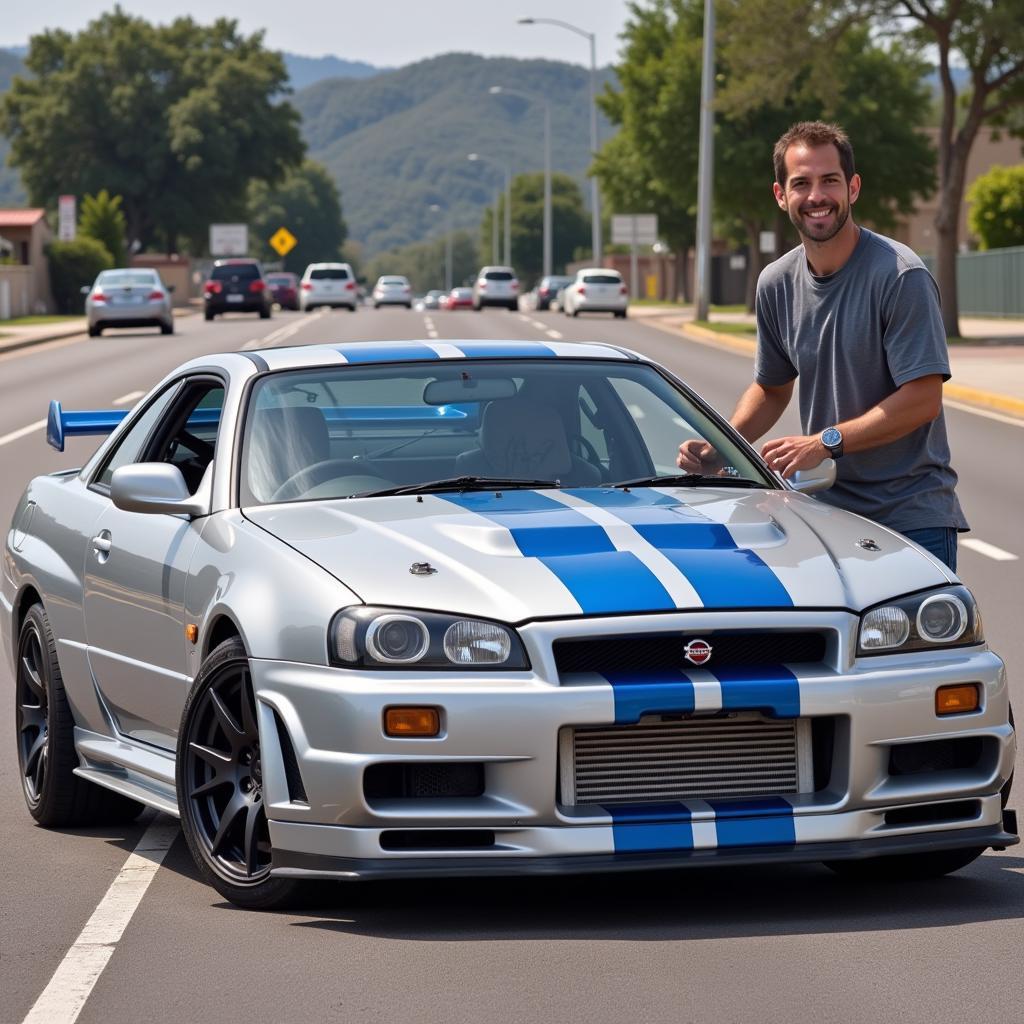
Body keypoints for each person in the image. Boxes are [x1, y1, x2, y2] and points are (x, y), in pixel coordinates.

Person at [677, 120, 967, 570]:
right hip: (824, 514)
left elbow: (923, 399)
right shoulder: (776, 283)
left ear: (852, 188)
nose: (817, 196)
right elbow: (772, 388)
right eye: (802, 183)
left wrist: (825, 442)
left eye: (829, 180)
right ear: (781, 195)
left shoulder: (899, 275)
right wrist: (722, 447)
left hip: (910, 519)